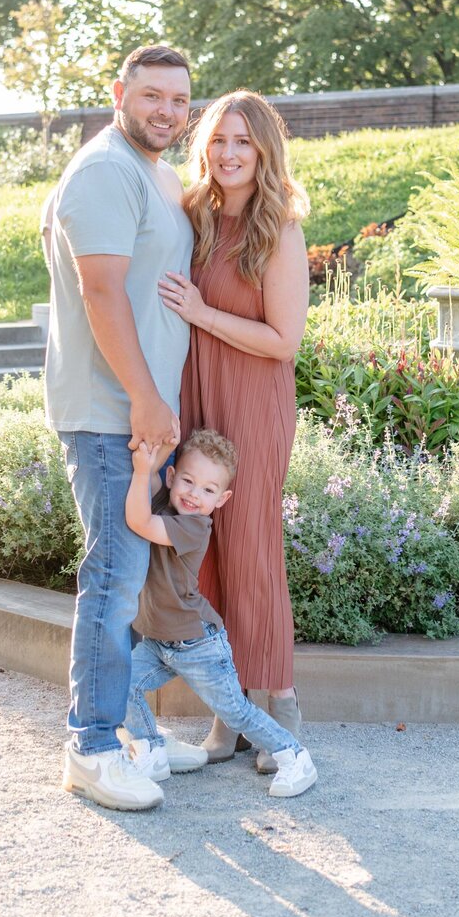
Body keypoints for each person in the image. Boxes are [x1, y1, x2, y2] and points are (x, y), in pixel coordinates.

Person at [45, 42, 201, 812]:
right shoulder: (106, 171)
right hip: (113, 417)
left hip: (142, 415)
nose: (166, 111)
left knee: (133, 582)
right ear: (119, 93)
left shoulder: (146, 172)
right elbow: (100, 293)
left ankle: (131, 727)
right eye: (152, 96)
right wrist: (145, 398)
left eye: (179, 100)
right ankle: (92, 745)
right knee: (111, 583)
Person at [158, 90, 311, 768]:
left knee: (251, 550)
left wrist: (200, 312)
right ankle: (229, 714)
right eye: (219, 139)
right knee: (207, 555)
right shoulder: (193, 215)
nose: (228, 153)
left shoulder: (280, 226)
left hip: (254, 401)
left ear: (264, 150)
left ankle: (281, 707)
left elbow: (284, 341)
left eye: (243, 141)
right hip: (199, 396)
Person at [121, 430, 317, 800]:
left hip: (198, 644)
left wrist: (140, 470)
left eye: (208, 490)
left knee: (237, 713)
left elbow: (140, 523)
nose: (195, 495)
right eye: (189, 481)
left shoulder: (195, 526)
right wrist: (152, 457)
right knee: (123, 683)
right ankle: (150, 752)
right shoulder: (168, 501)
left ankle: (294, 756)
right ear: (172, 476)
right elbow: (151, 501)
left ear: (222, 499)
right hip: (160, 640)